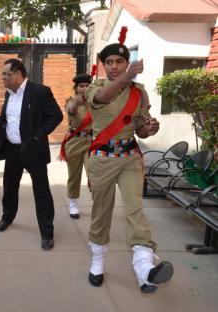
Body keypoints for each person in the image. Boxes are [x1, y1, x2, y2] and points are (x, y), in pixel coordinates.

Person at [85, 26, 173, 293]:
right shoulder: (96, 87)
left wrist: (150, 128)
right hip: (102, 158)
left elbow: (140, 129)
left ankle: (144, 268)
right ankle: (97, 261)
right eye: (109, 62)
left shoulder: (139, 92)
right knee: (102, 212)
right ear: (103, 66)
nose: (114, 66)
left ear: (127, 62)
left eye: (120, 62)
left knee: (135, 210)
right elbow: (103, 98)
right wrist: (127, 76)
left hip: (130, 158)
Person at [0, 58, 63, 250]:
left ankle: (47, 232)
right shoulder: (9, 95)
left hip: (33, 149)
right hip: (13, 149)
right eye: (3, 74)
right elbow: (12, 117)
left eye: (7, 74)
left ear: (19, 74)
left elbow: (56, 115)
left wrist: (38, 136)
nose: (3, 77)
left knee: (41, 191)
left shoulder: (39, 92)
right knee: (9, 187)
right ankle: (7, 217)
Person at [59, 72, 94, 219]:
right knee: (74, 175)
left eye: (87, 85)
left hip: (92, 143)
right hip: (74, 142)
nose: (85, 88)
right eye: (81, 86)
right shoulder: (70, 101)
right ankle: (73, 204)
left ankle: (98, 204)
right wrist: (76, 103)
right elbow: (71, 109)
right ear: (76, 88)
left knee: (95, 175)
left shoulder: (96, 102)